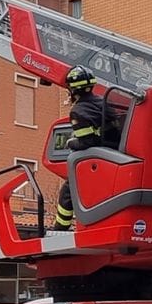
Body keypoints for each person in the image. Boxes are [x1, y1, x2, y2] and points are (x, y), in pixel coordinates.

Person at [53, 65, 109, 231]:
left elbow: (86, 142)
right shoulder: (102, 102)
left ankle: (61, 227)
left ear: (73, 90)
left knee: (67, 193)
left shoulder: (79, 111)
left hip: (96, 159)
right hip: (110, 155)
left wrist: (71, 142)